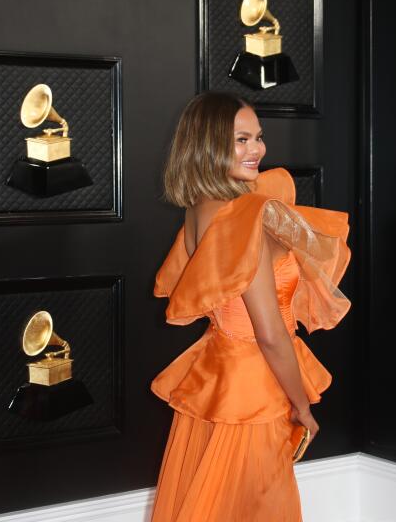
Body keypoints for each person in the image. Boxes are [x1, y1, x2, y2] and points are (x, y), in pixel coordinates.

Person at [149, 91, 351, 521]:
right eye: (241, 139)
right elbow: (271, 333)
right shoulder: (244, 215)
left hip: (217, 380)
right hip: (254, 390)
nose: (257, 149)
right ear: (207, 144)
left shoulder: (199, 209)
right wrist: (302, 407)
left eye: (257, 137)